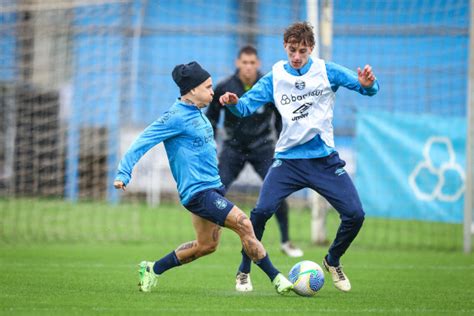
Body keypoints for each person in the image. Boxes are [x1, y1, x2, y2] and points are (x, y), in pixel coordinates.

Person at [220, 22, 379, 293]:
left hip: (324, 161)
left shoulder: (326, 70)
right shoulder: (275, 76)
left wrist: (369, 85)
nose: (296, 56)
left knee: (355, 215)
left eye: (302, 51)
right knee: (260, 213)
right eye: (292, 50)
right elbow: (246, 107)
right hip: (288, 162)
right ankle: (244, 270)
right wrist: (234, 103)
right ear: (285, 47)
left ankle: (333, 260)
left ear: (311, 50)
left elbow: (365, 87)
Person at [113, 61, 293, 295]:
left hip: (212, 189)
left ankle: (152, 269)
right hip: (198, 193)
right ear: (192, 90)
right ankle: (277, 278)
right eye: (208, 87)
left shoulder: (198, 113)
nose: (212, 90)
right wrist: (123, 172)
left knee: (206, 246)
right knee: (244, 224)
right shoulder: (174, 117)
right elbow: (142, 141)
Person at [206, 46, 303, 262]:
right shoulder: (224, 87)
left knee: (277, 191)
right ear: (237, 63)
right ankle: (209, 238)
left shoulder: (269, 85)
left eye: (252, 63)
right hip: (233, 147)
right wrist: (210, 146)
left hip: (263, 147)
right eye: (244, 62)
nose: (248, 67)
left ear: (258, 64)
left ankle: (286, 241)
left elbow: (281, 117)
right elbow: (211, 119)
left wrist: (282, 144)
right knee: (214, 191)